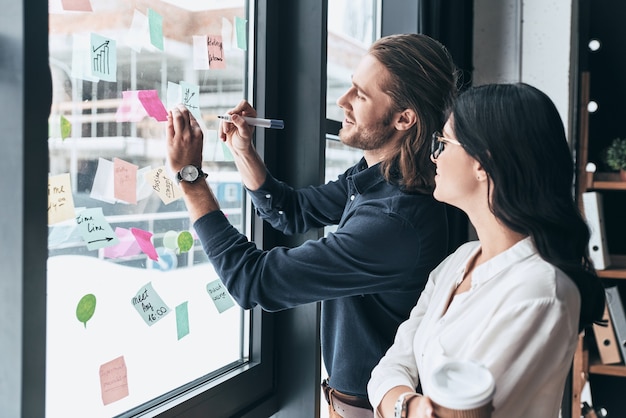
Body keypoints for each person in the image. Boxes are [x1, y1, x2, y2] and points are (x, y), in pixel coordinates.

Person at [166, 33, 458, 417]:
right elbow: (293, 211)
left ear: (404, 118)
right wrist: (243, 152)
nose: (342, 101)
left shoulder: (395, 222)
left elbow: (253, 281)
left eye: (361, 94)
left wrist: (191, 180)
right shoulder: (382, 177)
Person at [367, 83, 606, 418]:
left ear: (483, 163)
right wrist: (413, 406)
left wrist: (401, 403)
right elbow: (387, 369)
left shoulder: (542, 291)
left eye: (444, 143)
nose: (434, 155)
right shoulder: (459, 261)